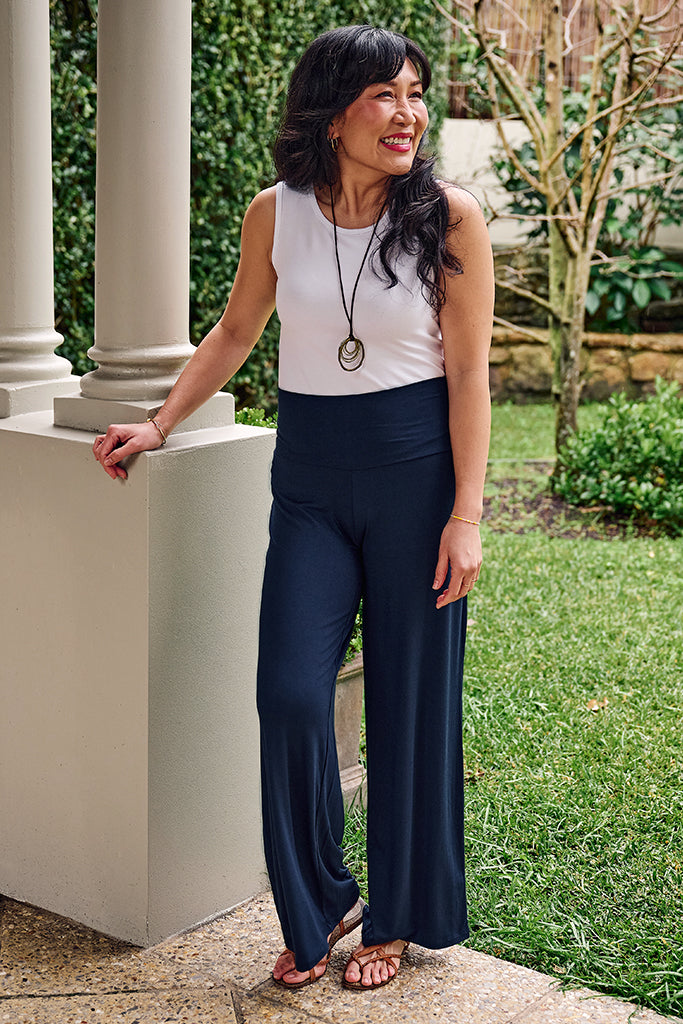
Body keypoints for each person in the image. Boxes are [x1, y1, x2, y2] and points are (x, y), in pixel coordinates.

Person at [93, 24, 494, 992]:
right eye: (381, 96)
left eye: (413, 93)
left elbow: (470, 373)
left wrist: (466, 512)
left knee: (405, 701)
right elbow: (237, 330)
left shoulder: (449, 216)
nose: (406, 114)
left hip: (413, 476)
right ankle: (322, 897)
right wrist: (159, 421)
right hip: (310, 480)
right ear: (330, 112)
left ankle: (393, 918)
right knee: (287, 691)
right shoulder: (275, 214)